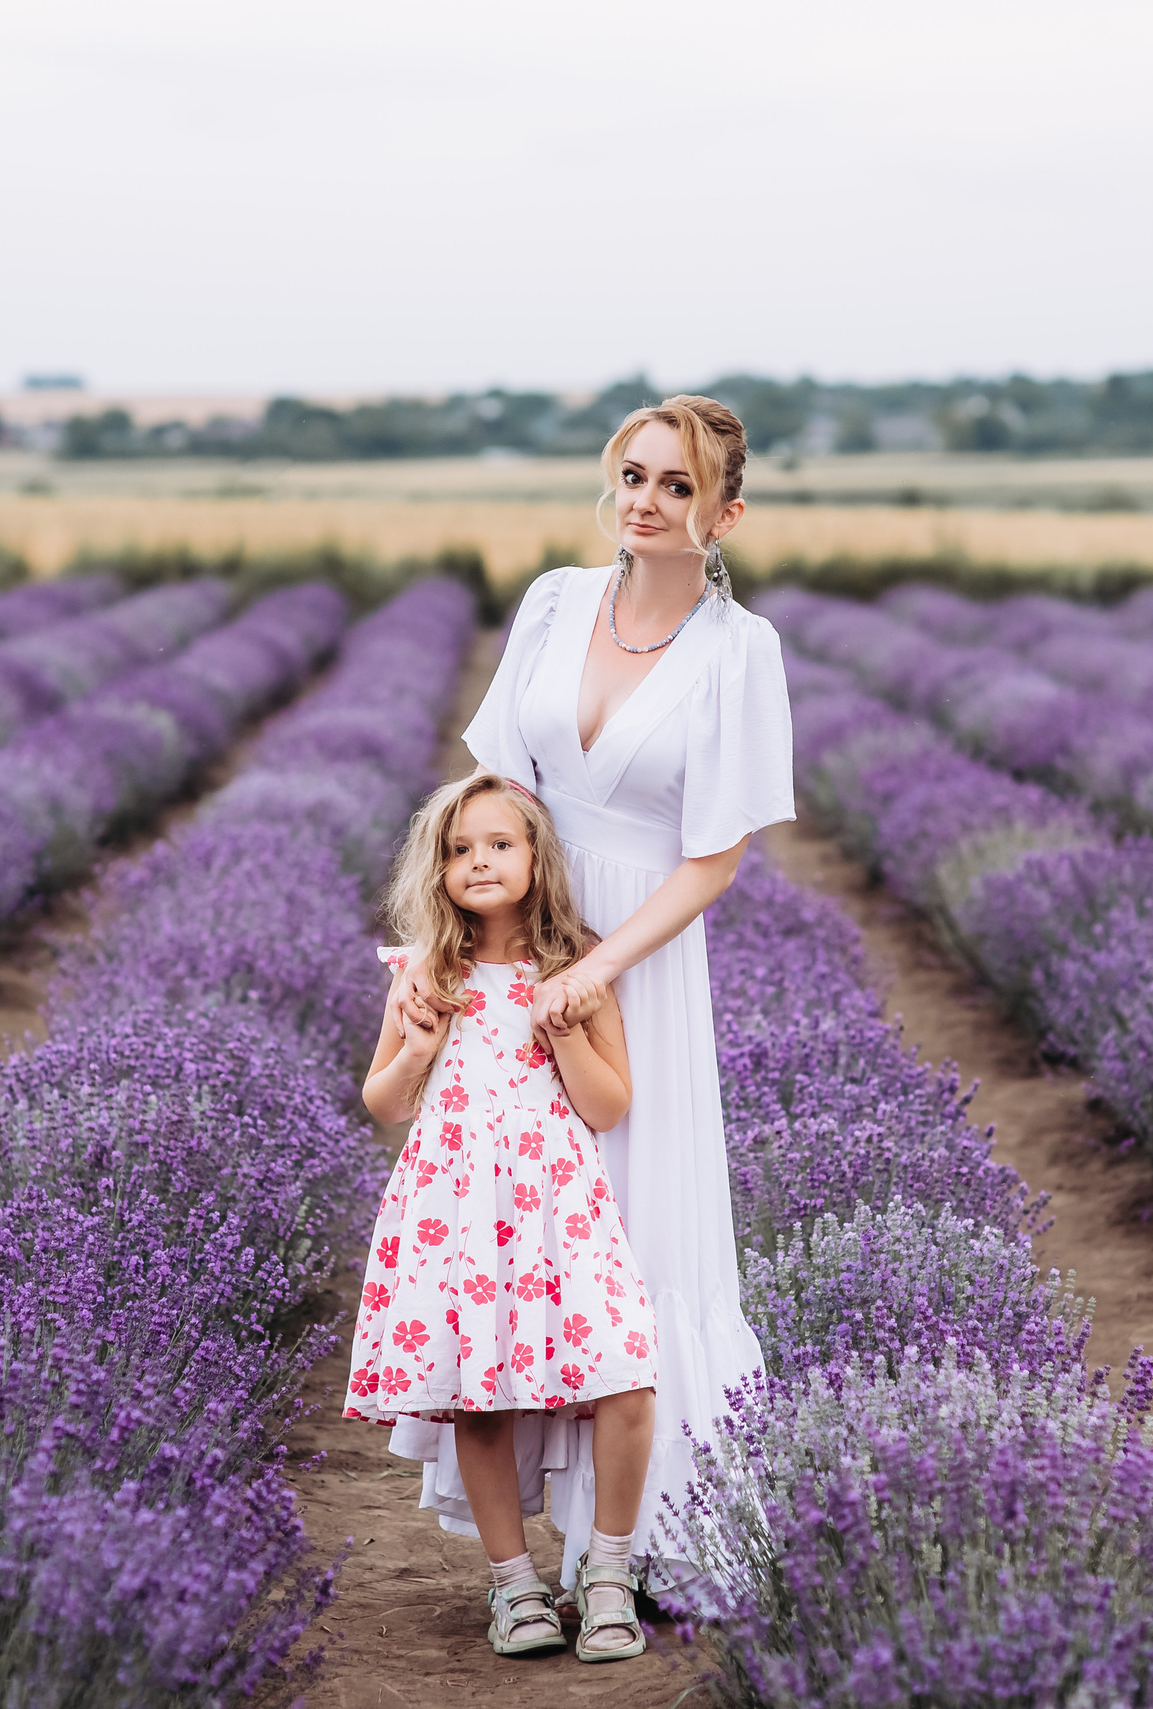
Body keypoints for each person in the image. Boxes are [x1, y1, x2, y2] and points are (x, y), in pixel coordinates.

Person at [388, 394, 793, 1601]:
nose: (645, 500)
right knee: (519, 1231)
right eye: (632, 474)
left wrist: (598, 964)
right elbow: (498, 784)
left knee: (638, 1228)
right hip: (526, 940)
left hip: (639, 960)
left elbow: (714, 857)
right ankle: (534, 1556)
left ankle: (644, 1542)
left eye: (677, 484)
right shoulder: (555, 603)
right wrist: (465, 936)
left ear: (724, 511)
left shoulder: (740, 648)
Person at [349, 770, 661, 1662]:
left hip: (559, 1203)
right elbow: (384, 1100)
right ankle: (514, 1585)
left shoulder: (577, 967)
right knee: (476, 1396)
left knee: (624, 1371)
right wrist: (417, 1047)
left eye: (499, 843)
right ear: (438, 869)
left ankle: (607, 1573)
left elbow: (608, 1106)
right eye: (459, 849)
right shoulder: (423, 972)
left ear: (535, 857)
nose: (478, 860)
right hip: (457, 1209)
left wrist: (562, 1026)